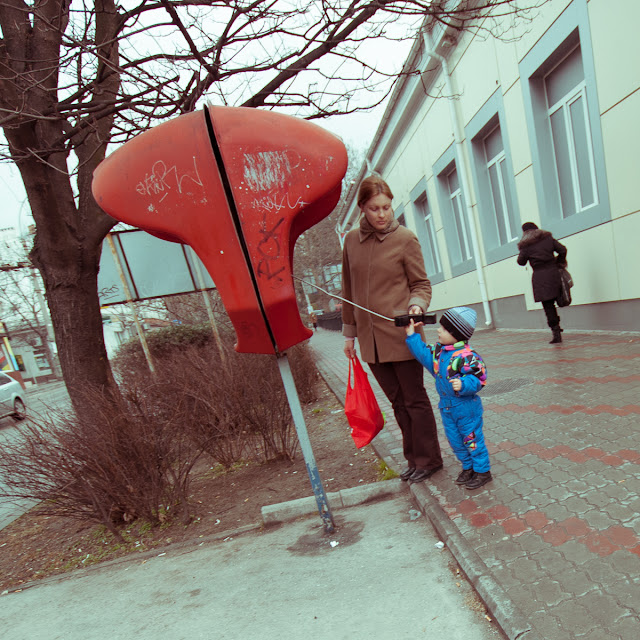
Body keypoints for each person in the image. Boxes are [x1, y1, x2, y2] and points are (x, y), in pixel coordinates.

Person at [341, 175, 443, 484]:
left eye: (386, 207)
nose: (382, 214)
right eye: (375, 208)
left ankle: (429, 459)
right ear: (362, 207)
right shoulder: (351, 241)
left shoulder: (405, 238)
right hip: (370, 341)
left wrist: (416, 306)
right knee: (397, 403)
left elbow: (421, 284)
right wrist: (349, 334)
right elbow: (348, 289)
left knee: (414, 399)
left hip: (403, 335)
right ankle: (413, 459)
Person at [405, 307, 492, 490]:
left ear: (456, 334)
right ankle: (468, 467)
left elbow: (479, 378)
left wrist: (464, 384)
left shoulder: (467, 356)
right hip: (447, 408)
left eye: (444, 329)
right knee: (455, 440)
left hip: (466, 408)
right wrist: (412, 335)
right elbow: (423, 354)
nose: (438, 330)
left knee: (472, 440)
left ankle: (482, 471)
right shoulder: (440, 354)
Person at [517, 222, 568, 344]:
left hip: (540, 277)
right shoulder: (547, 238)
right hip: (554, 272)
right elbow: (562, 250)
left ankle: (556, 331)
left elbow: (521, 262)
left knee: (548, 305)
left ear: (524, 232)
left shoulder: (526, 245)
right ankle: (557, 323)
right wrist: (559, 262)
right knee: (560, 295)